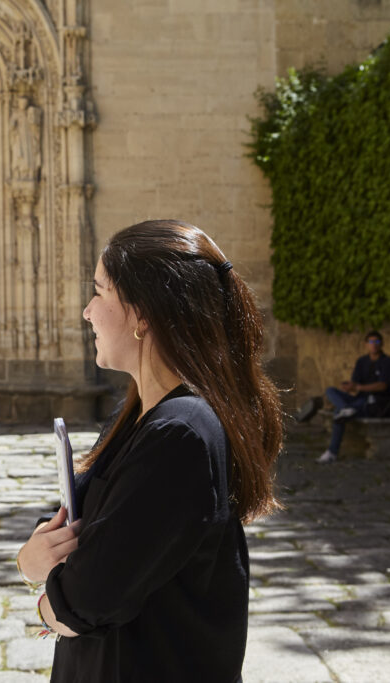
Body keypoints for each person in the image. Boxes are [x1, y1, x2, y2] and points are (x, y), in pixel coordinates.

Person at [16, 220, 283, 682]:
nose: (87, 312)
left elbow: (87, 600)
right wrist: (32, 561)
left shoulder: (181, 433)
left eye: (99, 293)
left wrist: (45, 605)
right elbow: (80, 525)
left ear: (144, 316)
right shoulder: (139, 414)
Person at [317, 330, 390, 463]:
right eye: (371, 342)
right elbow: (355, 383)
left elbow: (382, 386)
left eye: (376, 342)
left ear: (381, 344)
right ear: (366, 344)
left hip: (375, 402)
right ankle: (346, 408)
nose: (374, 345)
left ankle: (332, 452)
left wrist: (359, 388)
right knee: (330, 391)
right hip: (359, 398)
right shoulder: (362, 361)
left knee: (338, 413)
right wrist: (350, 386)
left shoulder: (386, 362)